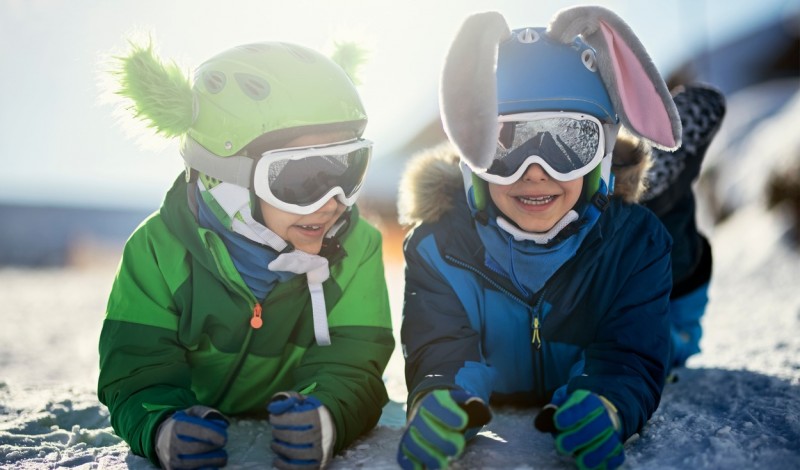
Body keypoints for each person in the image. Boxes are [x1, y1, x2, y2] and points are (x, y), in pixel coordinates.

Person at [395, 6, 719, 469]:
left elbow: (630, 350)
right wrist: (439, 397)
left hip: (633, 254)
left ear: (600, 150)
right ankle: (638, 180)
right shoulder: (439, 249)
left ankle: (665, 190)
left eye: (568, 140)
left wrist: (608, 399)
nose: (535, 171)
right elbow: (441, 345)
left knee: (674, 318)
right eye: (505, 144)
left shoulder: (636, 244)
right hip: (581, 212)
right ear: (472, 155)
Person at [97, 39, 394, 469]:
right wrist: (160, 427)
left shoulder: (356, 246)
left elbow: (356, 360)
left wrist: (328, 415)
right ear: (228, 182)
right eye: (301, 178)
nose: (333, 201)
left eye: (348, 168)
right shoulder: (158, 252)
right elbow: (137, 366)